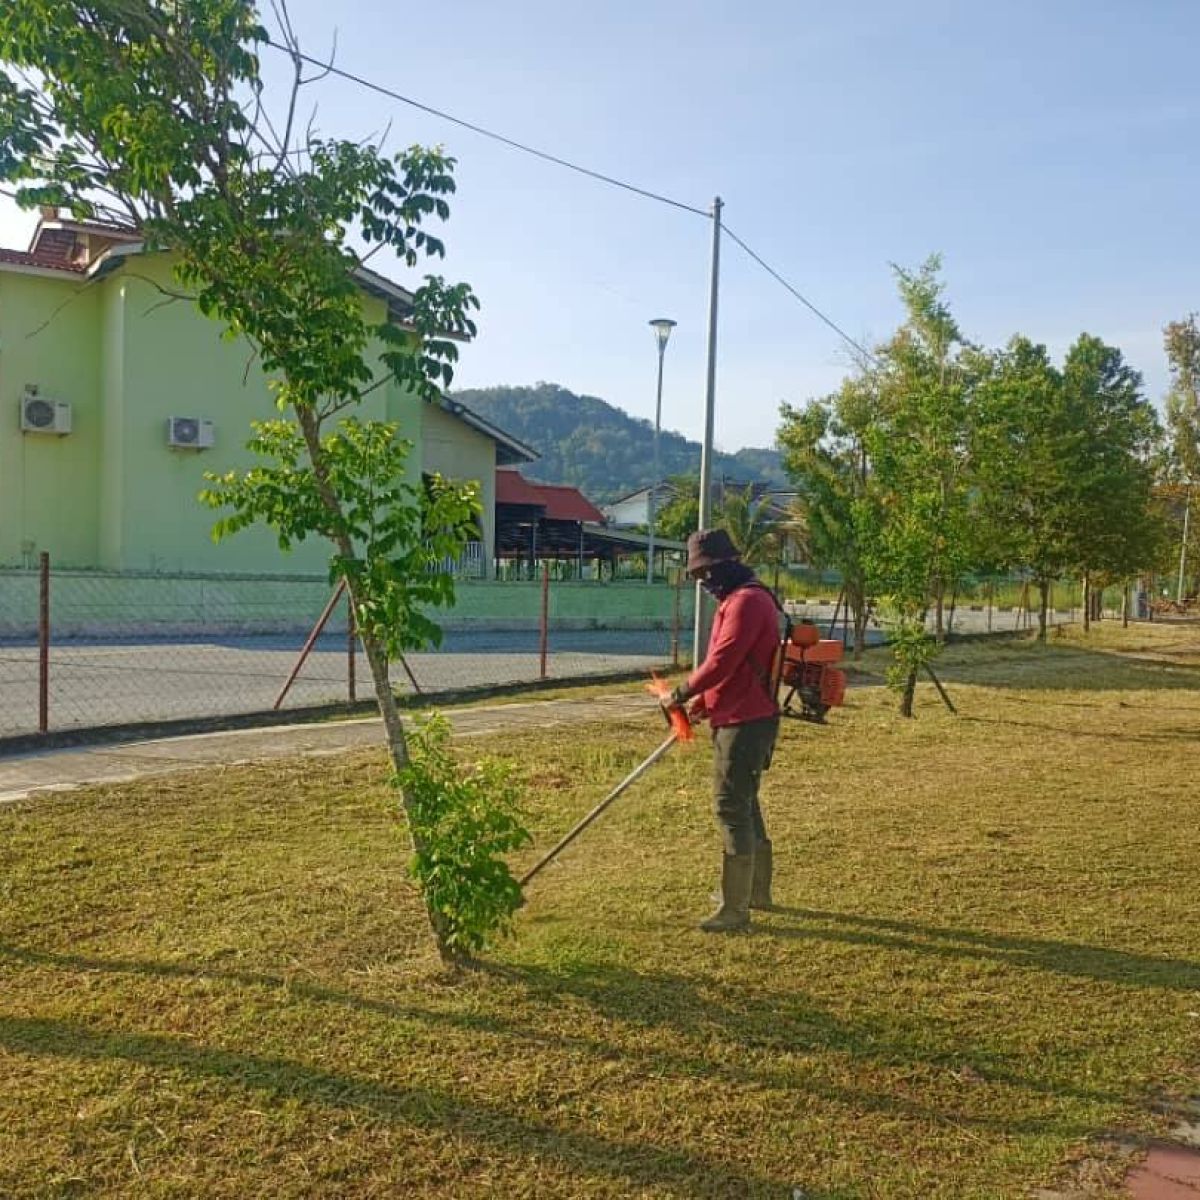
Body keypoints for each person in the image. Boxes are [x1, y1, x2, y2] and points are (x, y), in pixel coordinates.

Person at [664, 528, 782, 932]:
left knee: (731, 806)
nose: (703, 582)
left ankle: (736, 908)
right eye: (698, 575)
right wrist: (704, 701)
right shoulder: (742, 598)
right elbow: (735, 667)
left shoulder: (746, 601)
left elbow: (723, 661)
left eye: (706, 573)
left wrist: (680, 693)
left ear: (727, 564)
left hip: (745, 721)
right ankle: (754, 893)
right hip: (740, 713)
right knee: (745, 803)